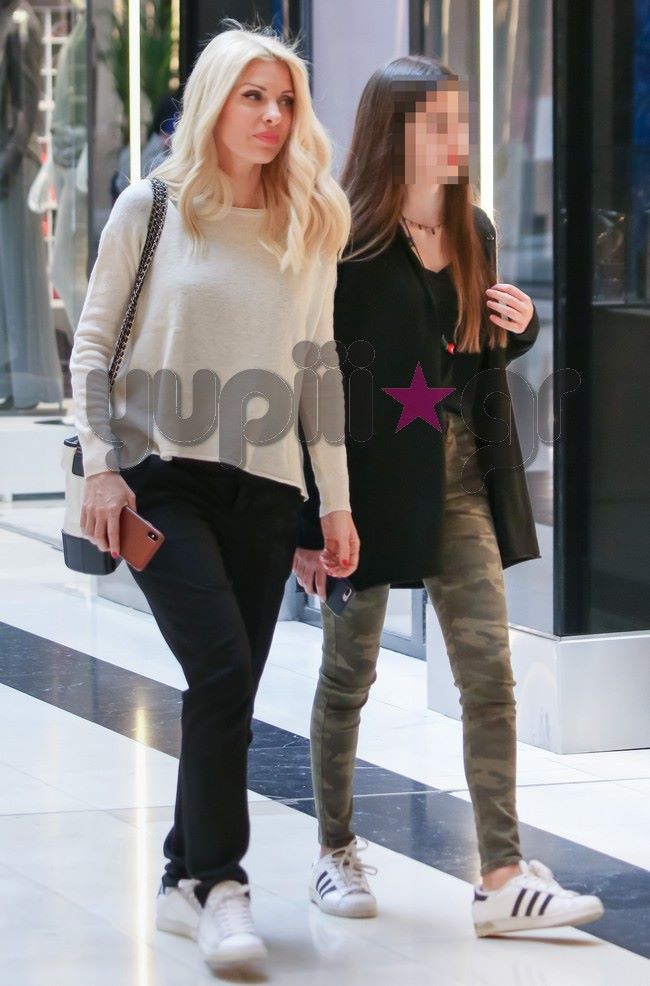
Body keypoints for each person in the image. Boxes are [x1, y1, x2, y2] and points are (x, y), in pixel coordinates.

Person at [69, 22, 359, 970]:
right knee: (225, 673)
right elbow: (93, 346)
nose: (273, 116)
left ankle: (179, 876)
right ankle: (223, 885)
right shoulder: (151, 206)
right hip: (162, 480)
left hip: (267, 490)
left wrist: (334, 503)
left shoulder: (311, 219)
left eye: (286, 102)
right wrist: (102, 465)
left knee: (223, 689)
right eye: (253, 97)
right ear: (213, 102)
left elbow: (318, 369)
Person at [293, 55, 604, 938]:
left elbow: (472, 354)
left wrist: (521, 327)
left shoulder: (475, 229)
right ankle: (333, 848)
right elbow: (311, 376)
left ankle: (501, 873)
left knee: (489, 677)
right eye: (436, 123)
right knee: (348, 673)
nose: (456, 138)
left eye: (459, 120)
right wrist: (311, 516)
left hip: (462, 479)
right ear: (392, 134)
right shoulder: (344, 237)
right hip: (364, 488)